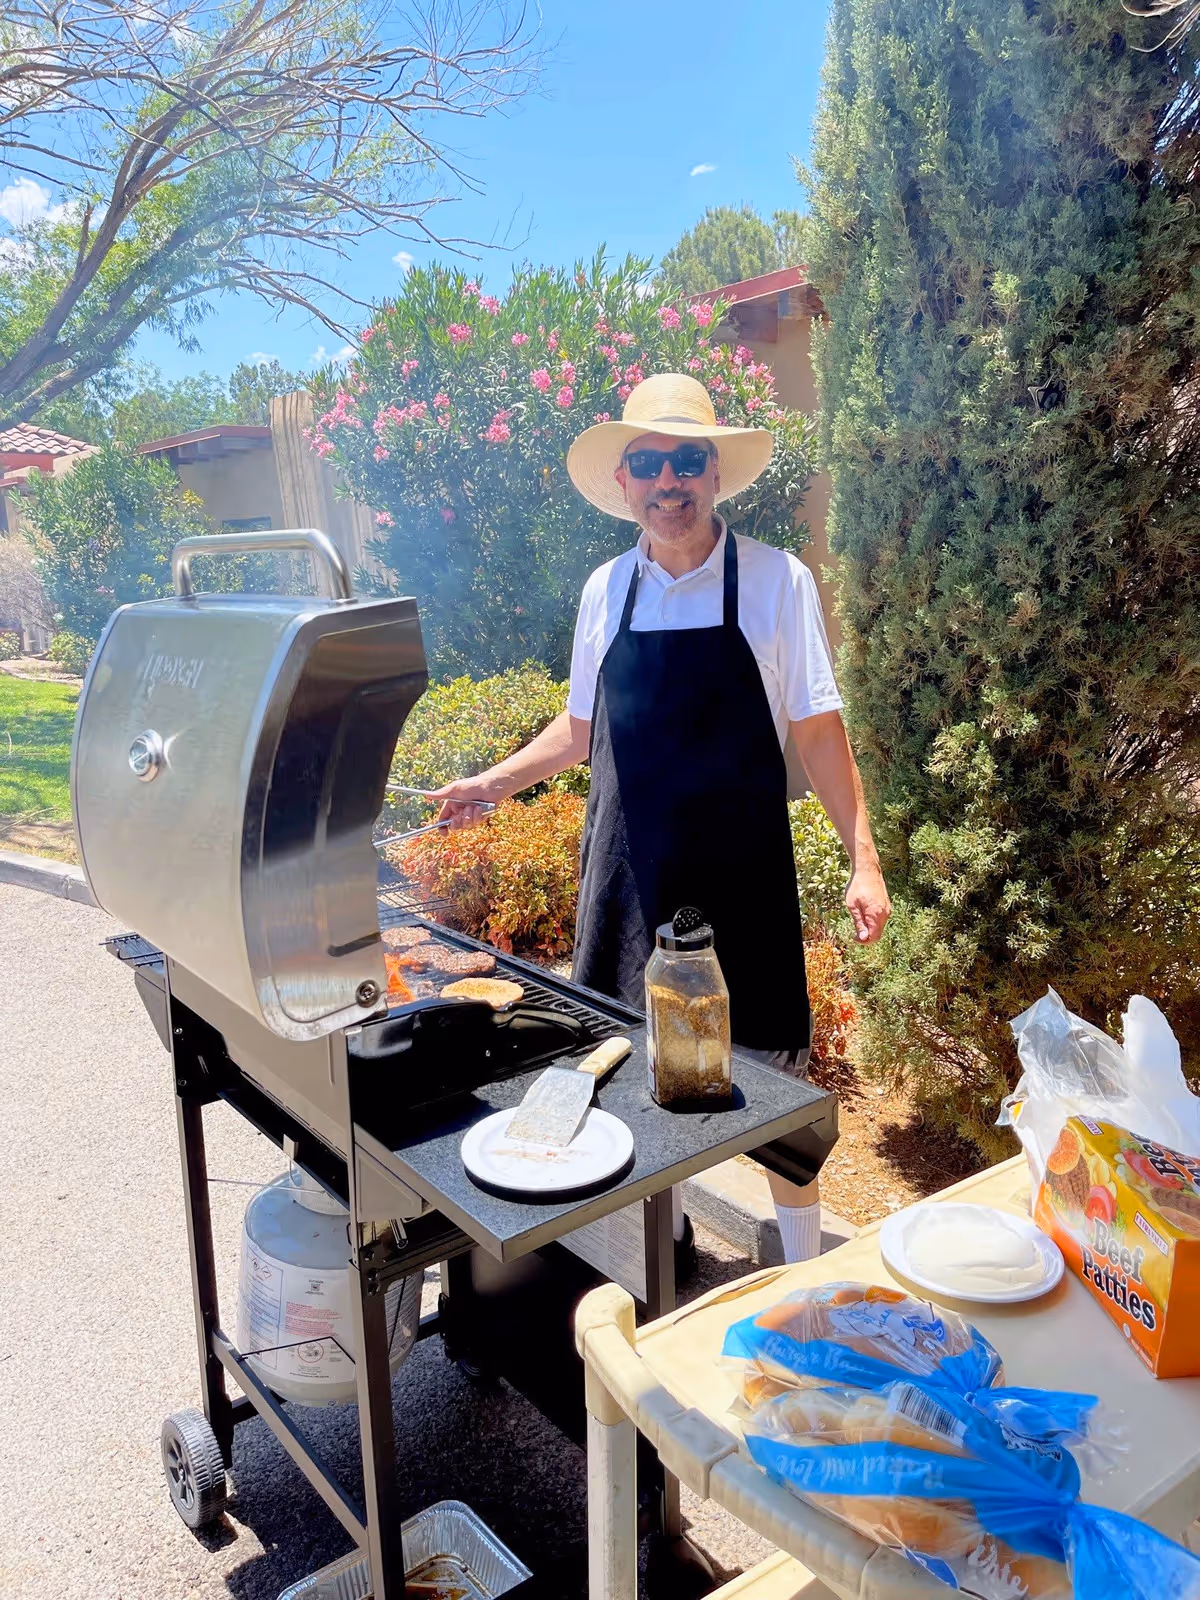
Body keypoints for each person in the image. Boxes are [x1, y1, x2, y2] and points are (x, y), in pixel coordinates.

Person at [435, 373, 891, 1262]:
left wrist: (863, 859)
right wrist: (489, 784)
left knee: (769, 1092)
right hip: (629, 882)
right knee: (640, 1079)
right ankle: (668, 1250)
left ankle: (802, 1270)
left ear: (716, 474)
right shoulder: (605, 589)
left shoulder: (775, 581)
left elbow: (820, 730)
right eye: (648, 462)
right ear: (623, 483)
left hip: (741, 881)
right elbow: (577, 731)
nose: (668, 480)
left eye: (687, 459)